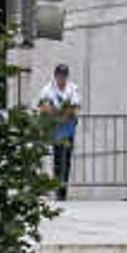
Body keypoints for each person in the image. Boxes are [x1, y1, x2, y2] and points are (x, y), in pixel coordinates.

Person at [35, 62, 81, 192]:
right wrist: (57, 113)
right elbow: (43, 107)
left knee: (67, 156)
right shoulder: (48, 89)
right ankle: (57, 186)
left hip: (68, 126)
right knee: (57, 156)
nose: (62, 78)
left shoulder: (72, 88)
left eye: (64, 75)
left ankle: (63, 185)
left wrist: (61, 113)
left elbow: (75, 107)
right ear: (55, 76)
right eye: (60, 75)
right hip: (55, 126)